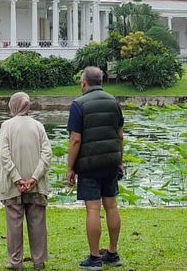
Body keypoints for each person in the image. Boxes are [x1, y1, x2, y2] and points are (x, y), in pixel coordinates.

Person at [66, 66, 125, 269]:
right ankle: (113, 252)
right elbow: (120, 135)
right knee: (112, 205)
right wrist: (119, 160)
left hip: (89, 164)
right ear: (101, 81)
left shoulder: (78, 104)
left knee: (93, 208)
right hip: (110, 161)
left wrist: (70, 167)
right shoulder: (113, 102)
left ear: (84, 82)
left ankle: (94, 257)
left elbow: (75, 140)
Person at [0, 92, 50, 271]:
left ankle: (15, 262)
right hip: (36, 183)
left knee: (14, 223)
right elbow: (46, 154)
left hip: (14, 185)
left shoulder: (7, 126)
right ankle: (38, 260)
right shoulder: (38, 126)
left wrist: (17, 179)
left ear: (13, 105)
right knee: (37, 222)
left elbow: (4, 155)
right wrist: (35, 177)